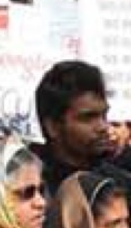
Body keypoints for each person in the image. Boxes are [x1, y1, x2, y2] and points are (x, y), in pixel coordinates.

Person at [35, 60, 115, 194]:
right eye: (88, 118)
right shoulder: (33, 191)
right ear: (53, 127)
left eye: (104, 115)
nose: (103, 127)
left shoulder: (122, 184)